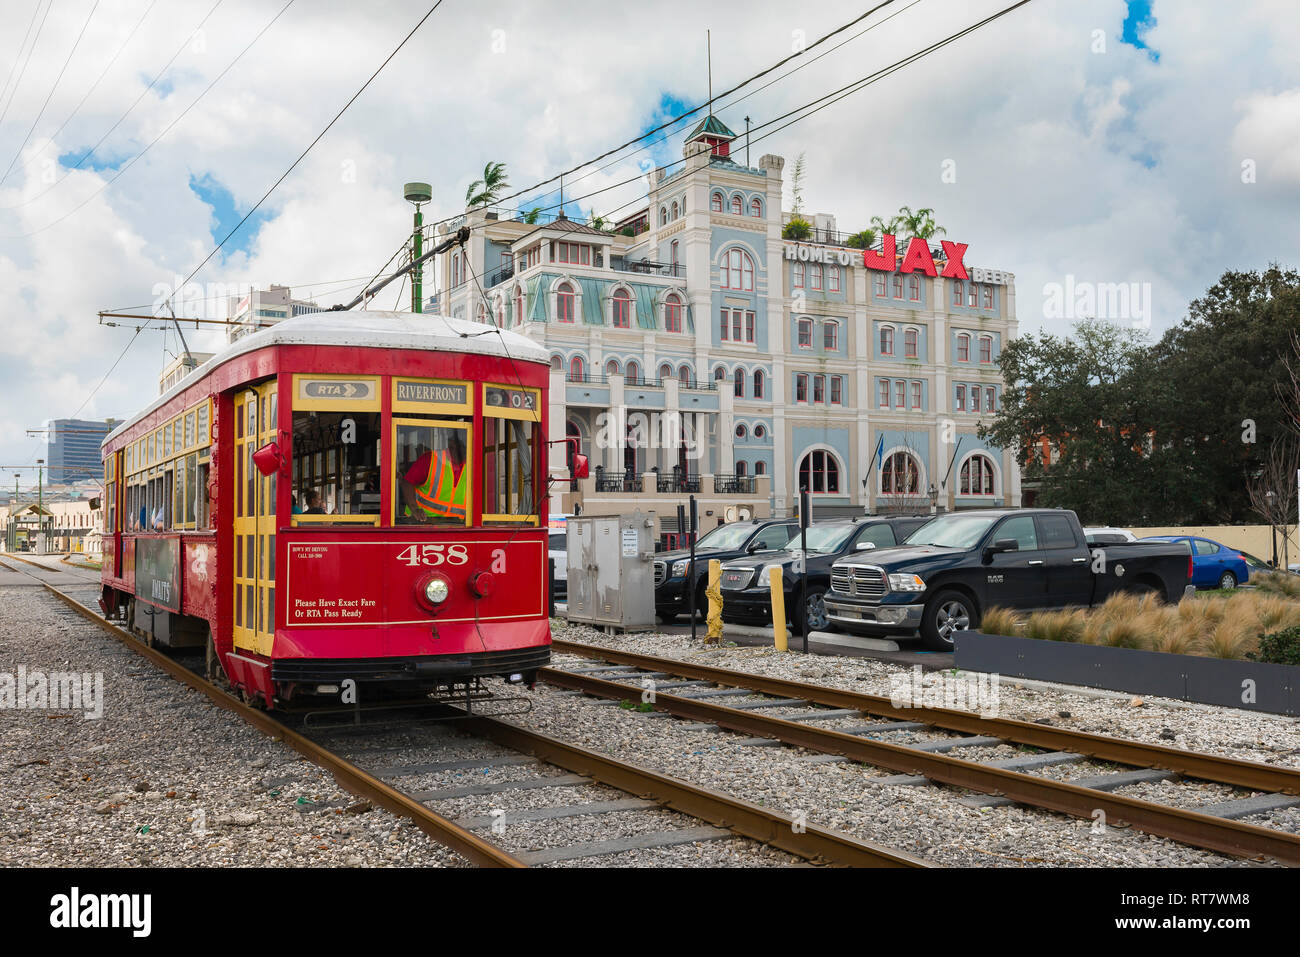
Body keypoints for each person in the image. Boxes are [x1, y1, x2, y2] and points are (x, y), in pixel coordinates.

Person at [400, 434, 467, 523]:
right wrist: (415, 509)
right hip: (421, 522)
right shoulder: (431, 459)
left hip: (456, 525)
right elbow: (407, 482)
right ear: (451, 445)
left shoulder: (472, 465)